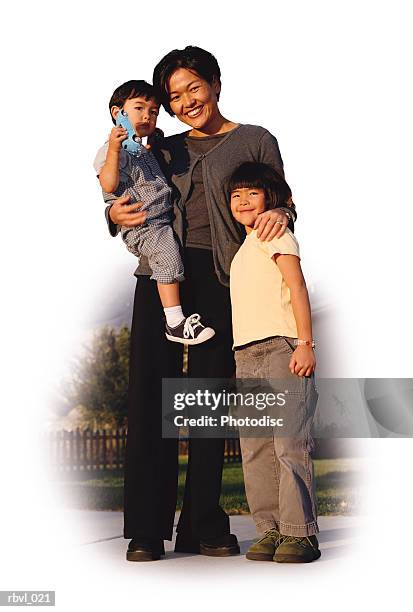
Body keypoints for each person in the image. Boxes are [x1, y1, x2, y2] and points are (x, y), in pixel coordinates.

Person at [105, 46, 297, 562]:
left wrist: (281, 213)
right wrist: (114, 216)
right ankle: (146, 529)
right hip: (159, 278)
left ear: (215, 83)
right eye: (174, 96)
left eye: (194, 88)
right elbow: (122, 194)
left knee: (207, 405)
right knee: (151, 397)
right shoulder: (160, 148)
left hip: (221, 279)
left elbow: (281, 201)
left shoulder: (255, 140)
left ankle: (203, 524)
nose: (186, 101)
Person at [229, 161, 320, 563]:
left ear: (270, 198)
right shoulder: (244, 248)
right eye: (235, 195)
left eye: (252, 193)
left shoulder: (275, 232)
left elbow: (297, 286)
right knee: (256, 449)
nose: (243, 201)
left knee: (288, 445)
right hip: (245, 353)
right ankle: (269, 530)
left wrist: (305, 343)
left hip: (282, 348)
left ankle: (301, 534)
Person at [94, 80, 215, 345]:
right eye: (139, 108)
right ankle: (175, 322)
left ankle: (177, 316)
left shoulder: (139, 149)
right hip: (143, 224)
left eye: (153, 111)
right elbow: (108, 183)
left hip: (160, 220)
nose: (147, 116)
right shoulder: (112, 151)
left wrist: (155, 139)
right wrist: (114, 149)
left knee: (173, 254)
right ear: (118, 114)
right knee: (168, 256)